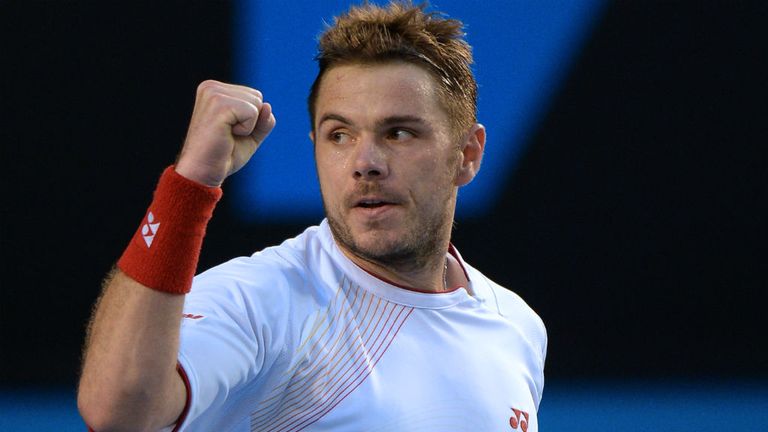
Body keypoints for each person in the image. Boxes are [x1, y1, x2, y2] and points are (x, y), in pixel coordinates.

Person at [77, 1, 547, 431]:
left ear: (467, 154)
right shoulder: (264, 301)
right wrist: (189, 185)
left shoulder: (518, 326)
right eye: (339, 135)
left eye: (399, 133)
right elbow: (118, 411)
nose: (365, 163)